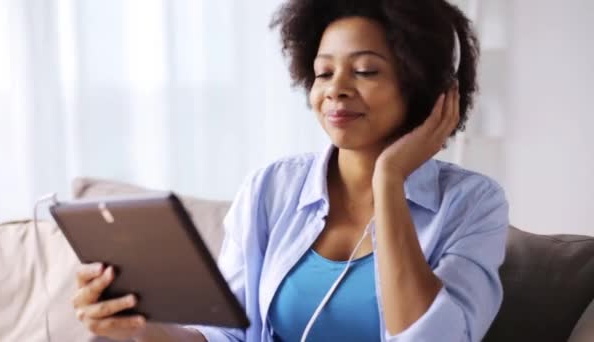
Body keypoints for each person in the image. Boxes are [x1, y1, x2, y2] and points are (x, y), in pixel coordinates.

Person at [72, 0, 509, 341]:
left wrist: (389, 180)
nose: (335, 89)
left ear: (426, 89)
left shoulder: (473, 203)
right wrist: (140, 329)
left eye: (365, 70)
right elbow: (227, 336)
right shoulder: (271, 189)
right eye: (323, 73)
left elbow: (431, 338)